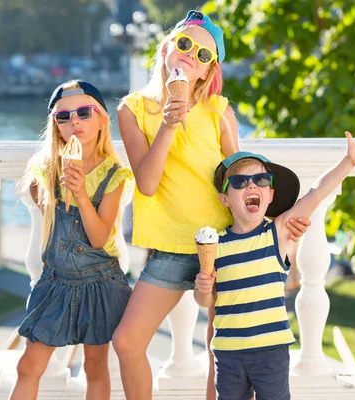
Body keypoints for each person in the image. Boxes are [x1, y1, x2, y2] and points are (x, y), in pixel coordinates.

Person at [113, 9, 310, 400]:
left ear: (208, 71)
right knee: (127, 341)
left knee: (223, 350)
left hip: (226, 246)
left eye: (204, 56)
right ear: (167, 48)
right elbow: (148, 185)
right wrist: (169, 124)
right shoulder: (132, 110)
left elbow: (244, 182)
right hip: (171, 248)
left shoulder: (219, 111)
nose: (192, 56)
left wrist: (278, 234)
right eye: (185, 45)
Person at [194, 127, 355, 400]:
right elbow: (205, 301)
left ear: (270, 194)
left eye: (260, 180)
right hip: (228, 353)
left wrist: (349, 162)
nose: (251, 186)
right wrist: (202, 288)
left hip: (271, 352)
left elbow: (316, 193)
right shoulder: (215, 245)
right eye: (239, 182)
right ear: (225, 199)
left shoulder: (278, 232)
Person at [9, 80, 133, 400]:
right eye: (64, 117)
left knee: (95, 367)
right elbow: (46, 212)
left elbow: (99, 236)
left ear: (102, 119)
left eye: (83, 112)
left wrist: (80, 193)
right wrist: (57, 186)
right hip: (56, 282)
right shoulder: (46, 170)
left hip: (100, 279)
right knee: (28, 366)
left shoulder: (113, 174)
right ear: (56, 126)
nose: (74, 121)